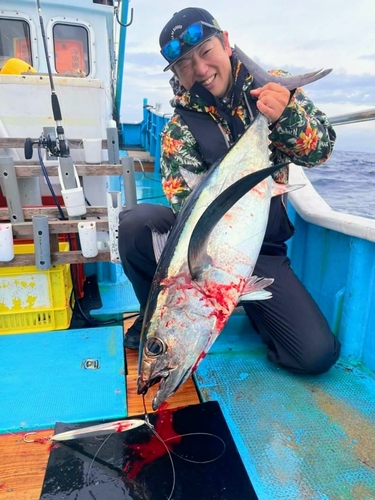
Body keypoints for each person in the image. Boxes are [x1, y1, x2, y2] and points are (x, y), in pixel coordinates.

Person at [118, 7, 341, 374]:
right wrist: (213, 277)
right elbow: (184, 206)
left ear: (225, 42)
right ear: (176, 74)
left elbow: (322, 150)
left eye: (206, 52)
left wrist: (285, 118)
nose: (201, 70)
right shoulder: (177, 132)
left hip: (262, 247)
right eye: (186, 65)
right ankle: (155, 315)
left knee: (316, 354)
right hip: (207, 249)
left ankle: (255, 308)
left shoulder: (274, 90)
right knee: (136, 223)